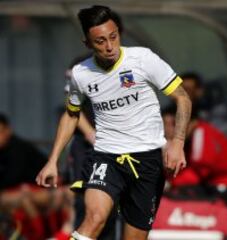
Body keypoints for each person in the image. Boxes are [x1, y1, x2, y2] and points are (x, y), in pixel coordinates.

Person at [36, 5, 191, 240]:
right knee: (95, 218)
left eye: (113, 37)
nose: (109, 46)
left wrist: (177, 142)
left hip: (147, 161)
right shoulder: (81, 73)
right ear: (87, 44)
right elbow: (71, 114)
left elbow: (182, 98)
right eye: (100, 41)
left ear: (118, 32)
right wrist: (52, 160)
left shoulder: (143, 59)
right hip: (106, 156)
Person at [162, 106, 227, 220]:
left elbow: (198, 172)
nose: (169, 129)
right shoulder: (187, 139)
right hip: (210, 188)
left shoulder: (201, 132)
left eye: (174, 124)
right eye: (164, 124)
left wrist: (169, 183)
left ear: (192, 122)